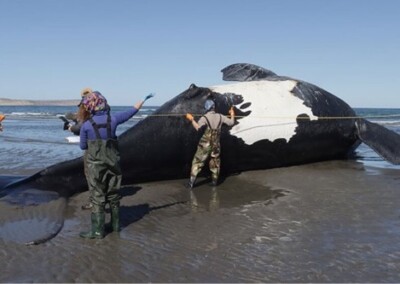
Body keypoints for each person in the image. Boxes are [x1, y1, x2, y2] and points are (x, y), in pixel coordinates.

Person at [79, 91, 154, 239]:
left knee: (97, 196)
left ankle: (98, 231)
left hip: (96, 167)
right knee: (113, 194)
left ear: (90, 107)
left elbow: (83, 147)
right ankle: (115, 225)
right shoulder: (113, 119)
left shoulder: (86, 126)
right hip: (113, 164)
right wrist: (143, 99)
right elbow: (132, 111)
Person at [185, 99, 235, 188]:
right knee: (215, 163)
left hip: (205, 144)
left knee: (197, 162)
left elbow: (197, 128)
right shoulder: (221, 116)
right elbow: (231, 122)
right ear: (213, 107)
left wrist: (191, 119)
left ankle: (191, 183)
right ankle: (214, 182)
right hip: (216, 144)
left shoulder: (204, 118)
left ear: (206, 108)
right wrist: (232, 114)